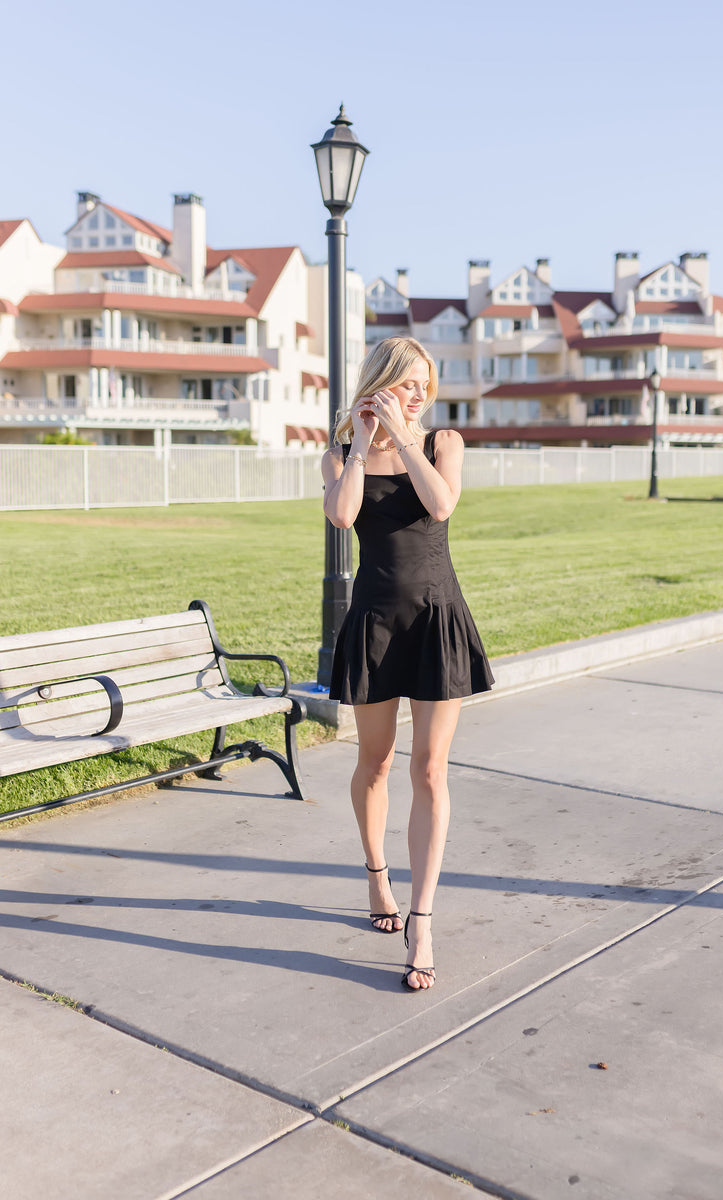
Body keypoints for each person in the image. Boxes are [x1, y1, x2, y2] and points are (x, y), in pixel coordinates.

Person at [321, 336, 494, 992]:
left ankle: (422, 919)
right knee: (374, 763)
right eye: (407, 382)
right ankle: (377, 878)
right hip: (374, 622)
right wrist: (364, 446)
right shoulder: (340, 454)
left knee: (428, 768)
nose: (420, 393)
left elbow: (441, 504)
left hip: (434, 620)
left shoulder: (443, 442)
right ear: (381, 380)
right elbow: (342, 516)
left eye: (426, 383)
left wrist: (402, 431)